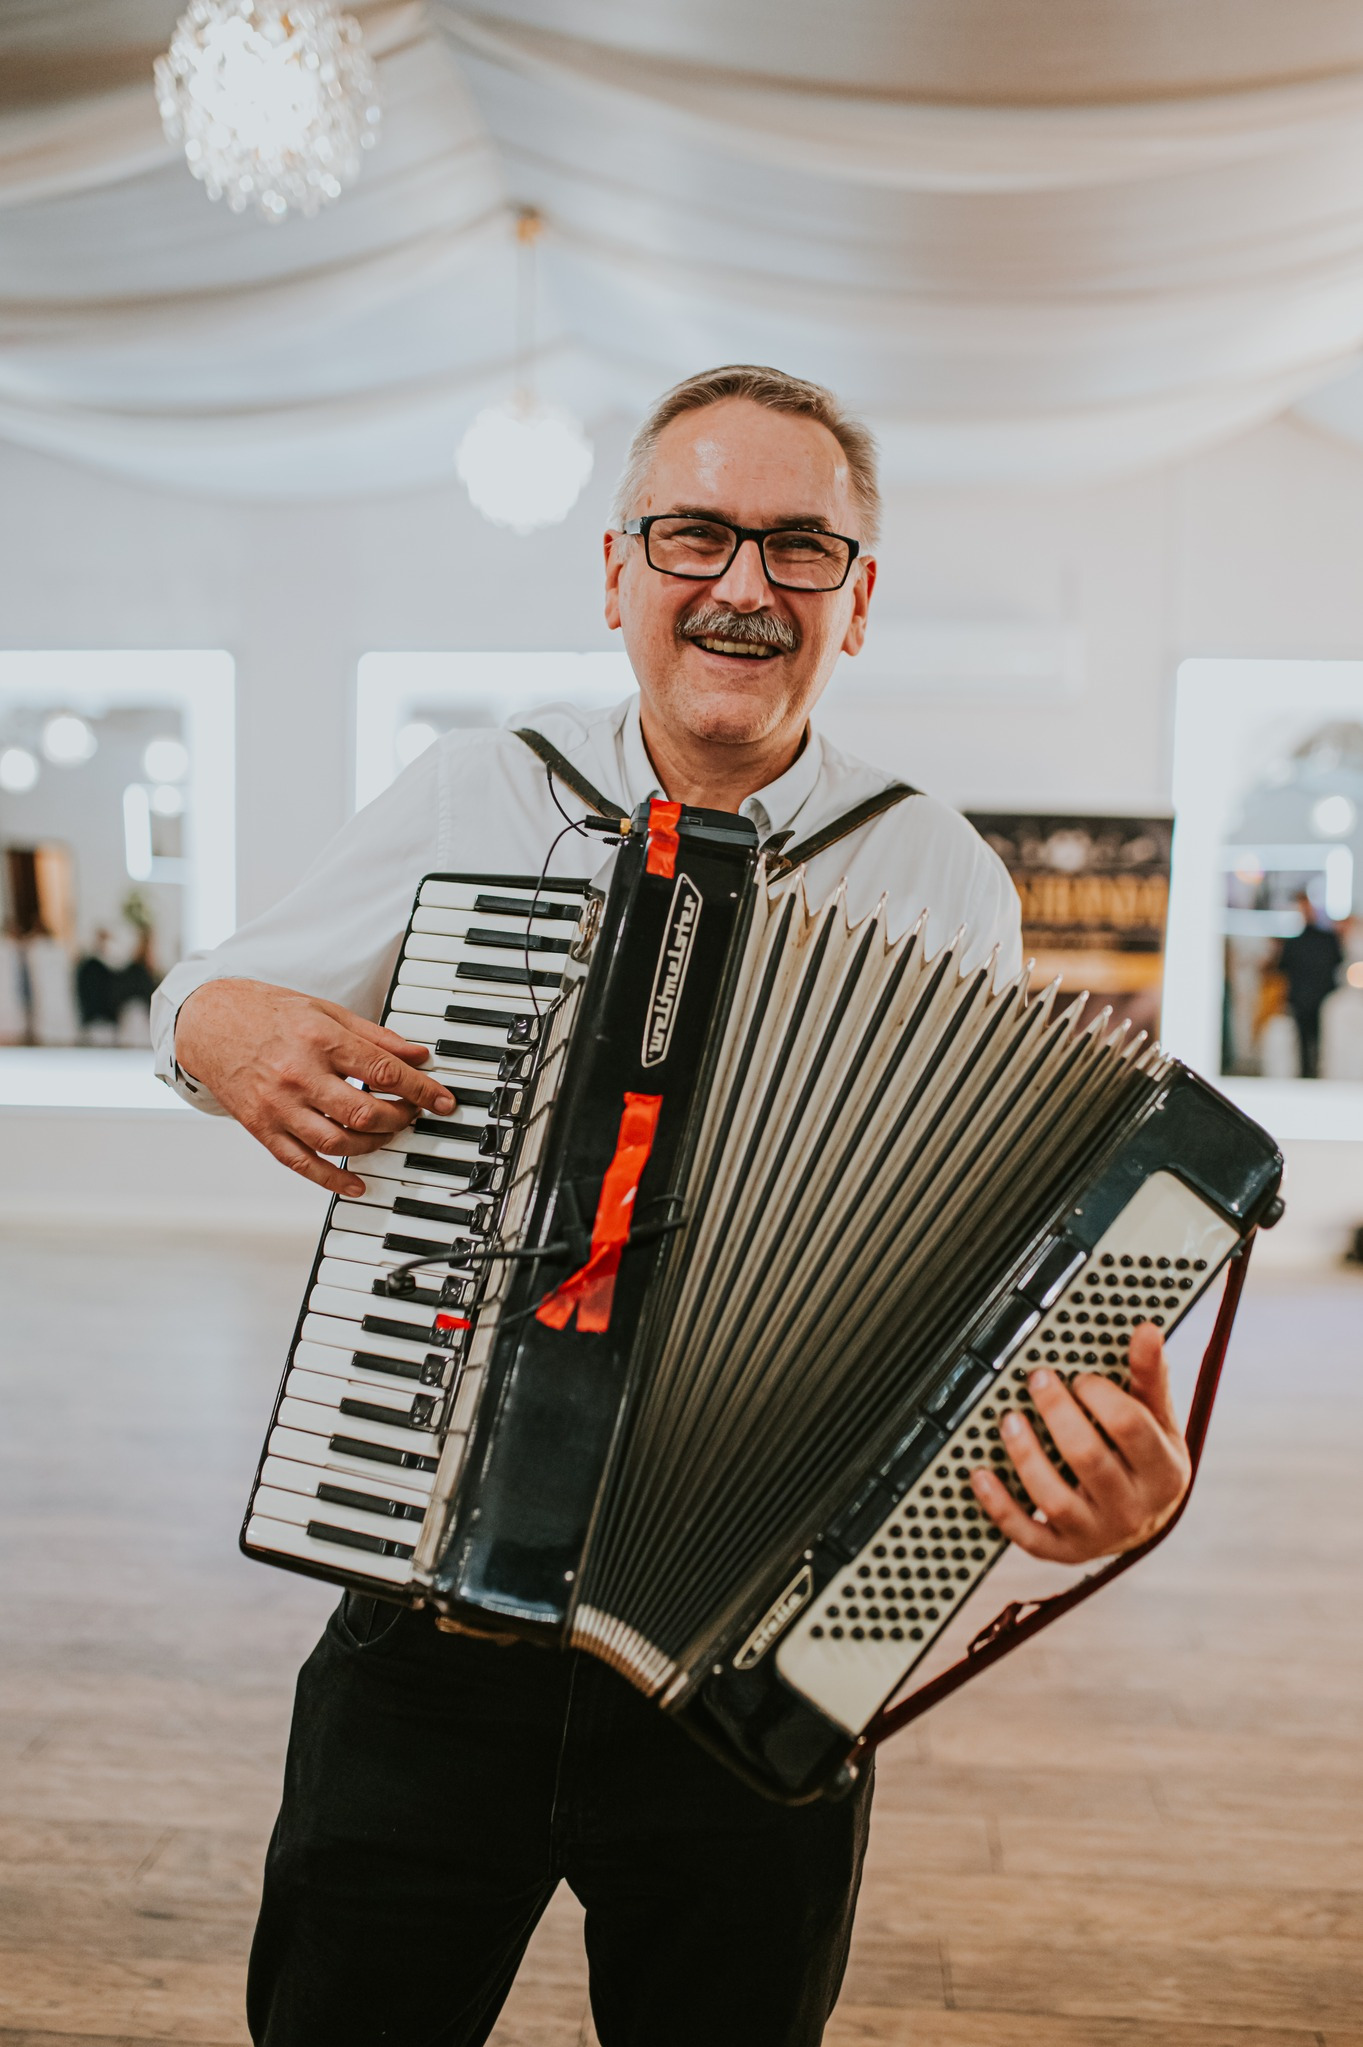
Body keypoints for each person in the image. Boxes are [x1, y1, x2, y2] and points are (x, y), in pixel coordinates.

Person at [150, 365, 1193, 2047]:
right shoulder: (478, 791)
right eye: (694, 533)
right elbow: (210, 994)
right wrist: (214, 1024)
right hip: (428, 1610)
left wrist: (1076, 1475)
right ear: (617, 570)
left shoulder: (936, 871)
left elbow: (969, 1286)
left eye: (796, 546)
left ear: (856, 597)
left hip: (746, 1650)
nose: (739, 585)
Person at [1276, 890, 1343, 1078]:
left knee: (1307, 1038)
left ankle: (1308, 1071)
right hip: (1317, 995)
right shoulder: (1327, 940)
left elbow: (1282, 967)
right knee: (1316, 1037)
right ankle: (1314, 1071)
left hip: (1306, 996)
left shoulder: (1299, 942)